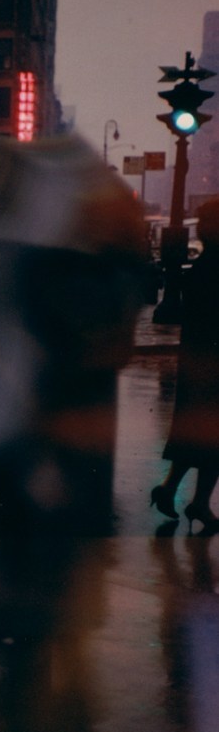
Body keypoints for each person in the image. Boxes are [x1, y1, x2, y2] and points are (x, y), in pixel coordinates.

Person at [151, 199, 219, 533]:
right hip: (212, 364)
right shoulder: (215, 267)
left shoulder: (203, 266)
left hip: (197, 362)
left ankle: (170, 490)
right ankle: (199, 503)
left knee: (194, 433)